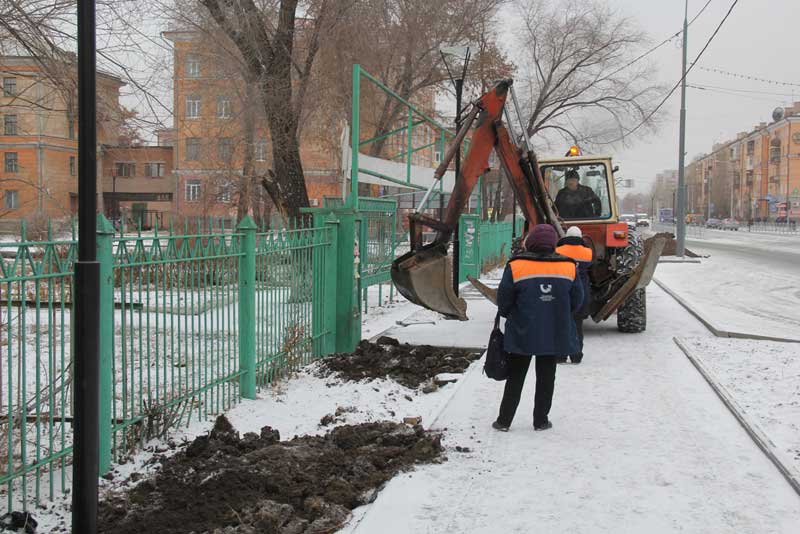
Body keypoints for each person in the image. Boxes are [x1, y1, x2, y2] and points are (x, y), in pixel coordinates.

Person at [492, 224, 583, 432]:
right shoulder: (569, 266)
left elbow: (504, 300)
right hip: (553, 331)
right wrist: (560, 313)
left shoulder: (516, 266)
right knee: (546, 376)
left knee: (516, 376)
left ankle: (504, 421)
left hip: (523, 331)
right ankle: (541, 420)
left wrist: (510, 315)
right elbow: (578, 300)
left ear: (530, 241)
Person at [555, 226, 593, 364]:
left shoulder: (558, 251)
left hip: (562, 291)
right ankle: (576, 355)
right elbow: (591, 267)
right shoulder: (588, 252)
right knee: (577, 325)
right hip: (580, 292)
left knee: (561, 325)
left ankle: (560, 355)